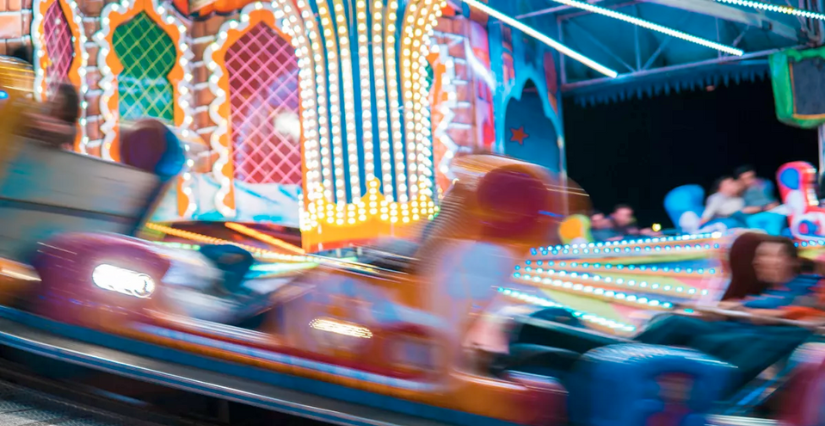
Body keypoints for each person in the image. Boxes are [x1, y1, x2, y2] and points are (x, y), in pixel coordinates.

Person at [22, 82, 79, 149]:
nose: (52, 105)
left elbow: (41, 124)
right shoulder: (42, 115)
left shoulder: (69, 131)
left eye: (58, 101)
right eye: (51, 99)